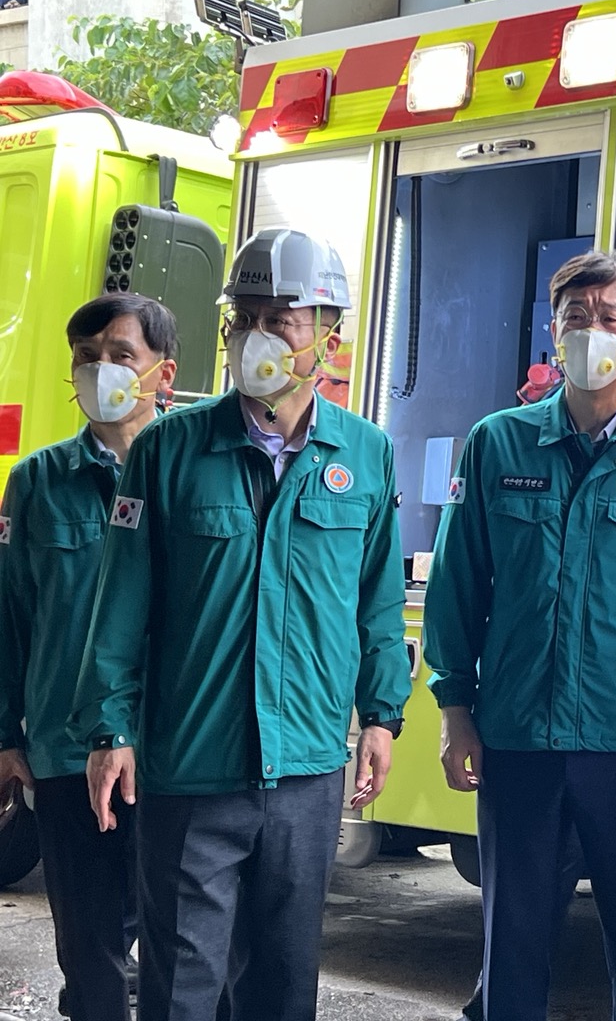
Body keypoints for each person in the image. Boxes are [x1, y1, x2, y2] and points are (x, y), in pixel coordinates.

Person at [69, 228, 412, 1021]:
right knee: (181, 988)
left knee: (283, 988)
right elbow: (120, 605)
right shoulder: (166, 450)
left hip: (306, 770)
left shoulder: (365, 453)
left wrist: (384, 715)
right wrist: (109, 730)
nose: (255, 334)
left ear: (327, 333)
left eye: (279, 318)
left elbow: (377, 599)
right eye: (243, 315)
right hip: (193, 767)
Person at [425, 250, 616, 1021]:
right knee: (513, 946)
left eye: (608, 319)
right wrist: (457, 709)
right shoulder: (497, 443)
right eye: (575, 320)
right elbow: (461, 587)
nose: (591, 332)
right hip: (519, 737)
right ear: (553, 338)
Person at [0, 293, 176, 1021]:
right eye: (86, 357)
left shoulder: (193, 469)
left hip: (177, 751)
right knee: (90, 946)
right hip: (67, 749)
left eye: (120, 355)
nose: (100, 371)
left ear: (162, 374)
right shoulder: (36, 482)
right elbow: (11, 617)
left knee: (180, 942)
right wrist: (8, 736)